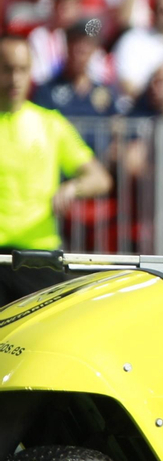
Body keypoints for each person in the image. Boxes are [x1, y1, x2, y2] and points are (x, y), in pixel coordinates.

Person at [0, 35, 111, 303]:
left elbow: (100, 178)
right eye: (7, 69)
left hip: (39, 256)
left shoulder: (51, 124)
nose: (15, 78)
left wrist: (73, 187)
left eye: (22, 69)